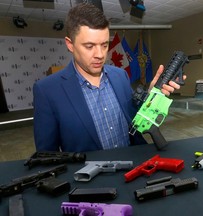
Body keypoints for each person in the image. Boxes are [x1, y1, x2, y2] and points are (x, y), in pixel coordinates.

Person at [33, 3, 186, 152]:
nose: (100, 55)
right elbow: (47, 155)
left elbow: (133, 116)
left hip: (134, 165)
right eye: (89, 46)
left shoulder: (120, 75)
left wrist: (151, 96)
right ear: (70, 44)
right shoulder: (47, 91)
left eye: (104, 45)